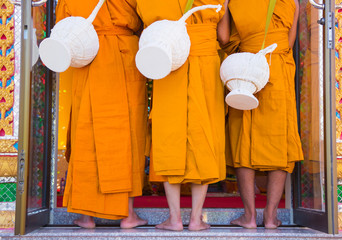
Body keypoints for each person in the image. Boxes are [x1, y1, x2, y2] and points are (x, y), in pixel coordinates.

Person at [136, 0, 226, 231]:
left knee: (169, 134)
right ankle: (196, 219)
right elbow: (224, 37)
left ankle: (175, 219)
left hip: (170, 59)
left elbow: (145, 25)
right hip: (206, 61)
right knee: (203, 133)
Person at [57, 0, 148, 228]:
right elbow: (144, 20)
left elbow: (62, 28)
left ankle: (87, 216)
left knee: (87, 134)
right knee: (127, 136)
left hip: (88, 56)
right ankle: (128, 215)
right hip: (125, 54)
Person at [218, 0, 303, 229]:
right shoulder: (291, 2)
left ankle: (249, 216)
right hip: (278, 69)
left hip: (246, 71)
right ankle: (271, 216)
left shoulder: (235, 1)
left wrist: (225, 7)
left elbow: (224, 39)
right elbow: (288, 42)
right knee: (280, 142)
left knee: (244, 141)